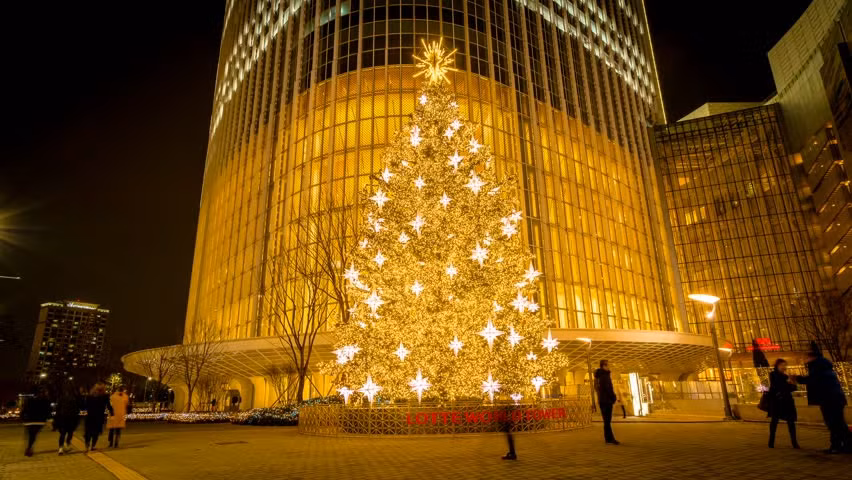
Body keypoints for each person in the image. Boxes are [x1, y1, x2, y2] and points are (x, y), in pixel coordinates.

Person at [792, 343, 849, 454]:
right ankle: (840, 445)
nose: (804, 360)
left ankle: (840, 446)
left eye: (805, 358)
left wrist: (797, 378)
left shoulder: (817, 366)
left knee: (834, 423)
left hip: (830, 399)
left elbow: (813, 380)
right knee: (837, 423)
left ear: (811, 357)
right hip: (833, 398)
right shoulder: (823, 365)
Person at [767, 359, 799, 449]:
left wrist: (792, 382)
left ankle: (794, 442)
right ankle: (771, 441)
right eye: (782, 365)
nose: (784, 367)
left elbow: (793, 388)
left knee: (791, 421)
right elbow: (777, 386)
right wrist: (788, 383)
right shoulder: (773, 374)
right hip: (777, 401)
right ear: (777, 365)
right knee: (774, 421)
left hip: (787, 401)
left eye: (785, 365)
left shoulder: (786, 376)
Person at [21, 386, 51, 457]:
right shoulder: (45, 401)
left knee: (30, 435)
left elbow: (24, 410)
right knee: (33, 435)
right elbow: (48, 411)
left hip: (29, 421)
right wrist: (48, 419)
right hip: (39, 421)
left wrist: (22, 418)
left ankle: (29, 448)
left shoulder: (29, 400)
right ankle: (29, 448)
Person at [594, 359, 619, 445]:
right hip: (607, 401)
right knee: (607, 421)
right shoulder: (604, 376)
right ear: (604, 366)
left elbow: (596, 388)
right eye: (607, 365)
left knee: (606, 421)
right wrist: (613, 397)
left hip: (602, 400)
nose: (609, 367)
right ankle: (610, 438)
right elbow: (608, 388)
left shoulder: (598, 377)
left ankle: (608, 438)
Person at [55, 383, 83, 455]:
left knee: (63, 433)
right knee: (70, 432)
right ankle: (67, 445)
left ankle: (60, 448)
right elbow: (79, 407)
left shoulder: (61, 397)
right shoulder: (75, 397)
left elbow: (58, 408)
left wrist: (57, 418)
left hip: (63, 417)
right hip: (72, 417)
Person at [84, 382, 112, 452]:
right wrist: (112, 412)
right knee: (96, 432)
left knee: (88, 431)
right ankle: (92, 446)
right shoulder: (105, 397)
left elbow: (85, 406)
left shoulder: (89, 396)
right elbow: (108, 406)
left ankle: (87, 445)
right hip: (99, 416)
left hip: (90, 416)